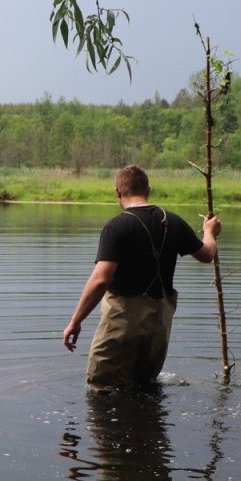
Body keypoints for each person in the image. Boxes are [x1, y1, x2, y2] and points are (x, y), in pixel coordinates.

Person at [62, 165, 220, 388]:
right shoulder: (173, 221)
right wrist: (209, 233)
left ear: (118, 192)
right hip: (159, 325)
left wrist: (75, 321)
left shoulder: (117, 226)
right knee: (145, 386)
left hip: (122, 323)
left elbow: (100, 280)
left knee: (103, 388)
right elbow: (207, 255)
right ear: (149, 190)